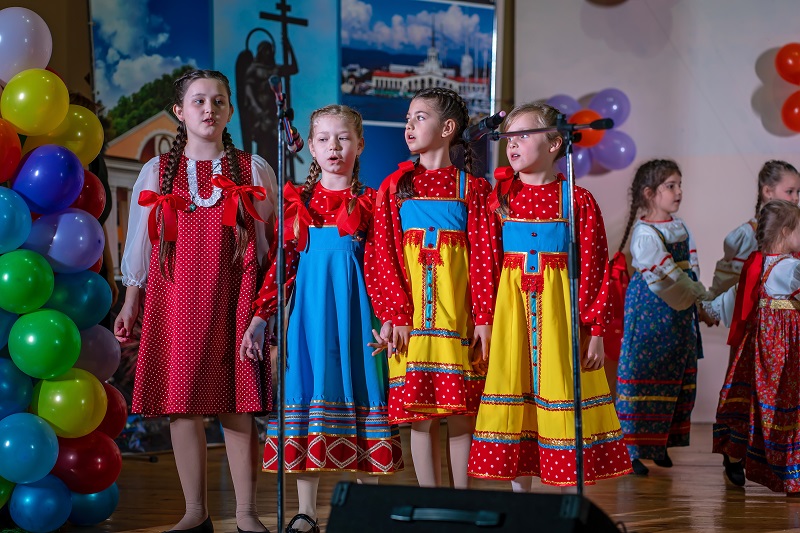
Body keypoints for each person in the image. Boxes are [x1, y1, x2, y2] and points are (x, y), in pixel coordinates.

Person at [114, 69, 277, 533]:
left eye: (219, 101)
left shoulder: (251, 168)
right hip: (176, 297)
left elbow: (267, 247)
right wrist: (131, 301)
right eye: (199, 101)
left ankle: (245, 513)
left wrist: (264, 310)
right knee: (182, 403)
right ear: (179, 112)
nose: (210, 109)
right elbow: (141, 246)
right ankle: (194, 510)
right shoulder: (157, 172)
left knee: (236, 402)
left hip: (234, 298)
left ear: (230, 110)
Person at [241, 105, 403, 533]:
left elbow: (385, 265)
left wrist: (390, 317)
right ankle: (306, 512)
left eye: (344, 138)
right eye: (325, 139)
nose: (335, 147)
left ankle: (367, 509)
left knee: (363, 394)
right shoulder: (298, 203)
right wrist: (260, 317)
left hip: (358, 318)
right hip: (309, 320)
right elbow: (282, 266)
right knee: (307, 398)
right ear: (311, 147)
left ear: (360, 145)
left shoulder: (372, 202)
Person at [466, 102, 631, 490]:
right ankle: (520, 498)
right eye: (509, 138)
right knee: (514, 386)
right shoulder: (500, 200)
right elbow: (485, 263)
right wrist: (484, 319)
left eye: (523, 136)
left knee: (561, 388)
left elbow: (594, 267)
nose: (512, 144)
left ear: (555, 143)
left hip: (560, 315)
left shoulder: (576, 199)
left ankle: (565, 496)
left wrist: (595, 329)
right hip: (513, 314)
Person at [367, 87, 499, 489]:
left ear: (447, 128)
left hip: (458, 322)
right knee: (419, 417)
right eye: (407, 119)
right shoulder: (396, 187)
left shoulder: (473, 189)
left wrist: (484, 319)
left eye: (419, 118)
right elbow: (383, 256)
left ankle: (462, 501)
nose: (409, 126)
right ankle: (431, 501)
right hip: (412, 325)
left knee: (461, 414)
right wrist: (394, 315)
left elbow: (485, 260)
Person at [703, 160, 800, 485]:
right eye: (791, 191)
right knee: (767, 400)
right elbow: (736, 289)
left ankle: (740, 453)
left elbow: (740, 292)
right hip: (770, 345)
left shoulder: (770, 262)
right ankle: (757, 458)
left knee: (756, 399)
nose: (796, 197)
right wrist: (711, 305)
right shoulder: (774, 261)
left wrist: (711, 308)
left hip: (764, 344)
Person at [615, 159, 713, 477]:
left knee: (673, 374)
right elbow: (669, 274)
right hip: (652, 308)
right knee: (644, 373)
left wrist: (700, 303)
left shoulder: (680, 226)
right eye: (671, 186)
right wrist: (702, 300)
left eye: (679, 185)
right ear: (649, 193)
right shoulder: (644, 234)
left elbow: (691, 268)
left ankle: (658, 446)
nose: (678, 191)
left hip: (679, 311)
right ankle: (631, 449)